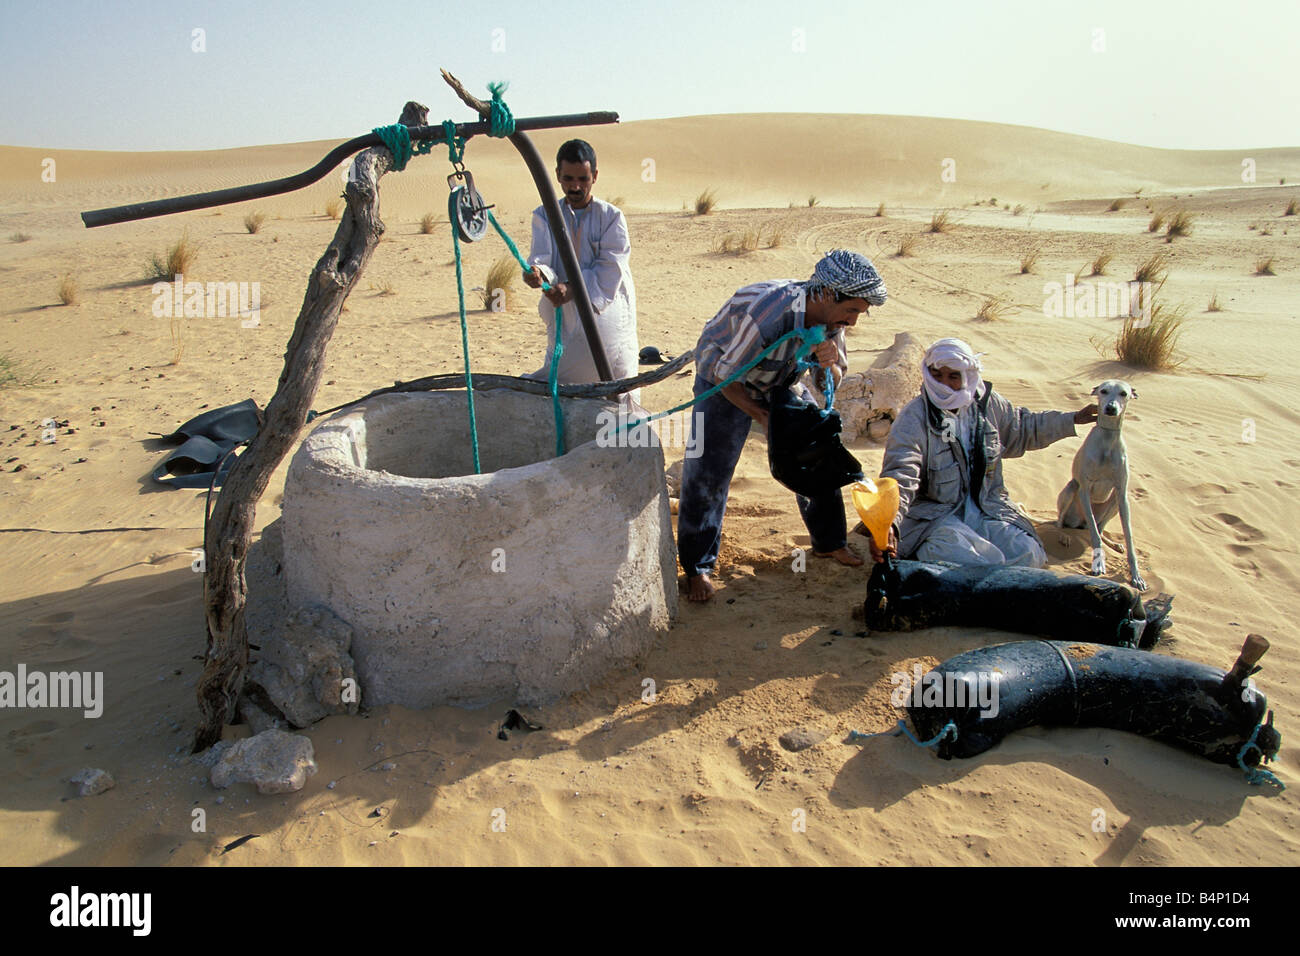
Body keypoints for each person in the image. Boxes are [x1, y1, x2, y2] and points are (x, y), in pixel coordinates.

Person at [677, 249, 888, 602]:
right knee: (709, 468)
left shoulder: (832, 322)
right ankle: (697, 566)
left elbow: (829, 383)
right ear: (824, 293)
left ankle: (829, 542)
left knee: (817, 450)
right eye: (851, 310)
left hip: (781, 378)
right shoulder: (769, 314)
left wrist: (827, 363)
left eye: (859, 313)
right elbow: (729, 377)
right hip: (723, 376)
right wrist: (763, 417)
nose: (853, 321)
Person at [877, 338, 1098, 567]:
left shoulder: (987, 405)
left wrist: (1072, 419)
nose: (943, 384)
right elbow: (901, 474)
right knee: (968, 559)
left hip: (987, 506)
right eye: (936, 375)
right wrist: (891, 521)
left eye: (953, 376)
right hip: (935, 516)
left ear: (967, 377)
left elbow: (1023, 427)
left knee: (1028, 553)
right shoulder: (915, 417)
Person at [522, 139, 638, 403]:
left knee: (620, 399)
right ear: (557, 177)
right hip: (564, 314)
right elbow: (541, 257)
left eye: (583, 179)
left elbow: (610, 268)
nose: (575, 186)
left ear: (594, 176)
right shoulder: (544, 215)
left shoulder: (612, 217)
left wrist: (571, 289)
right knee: (561, 393)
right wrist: (539, 274)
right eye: (568, 178)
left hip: (609, 313)